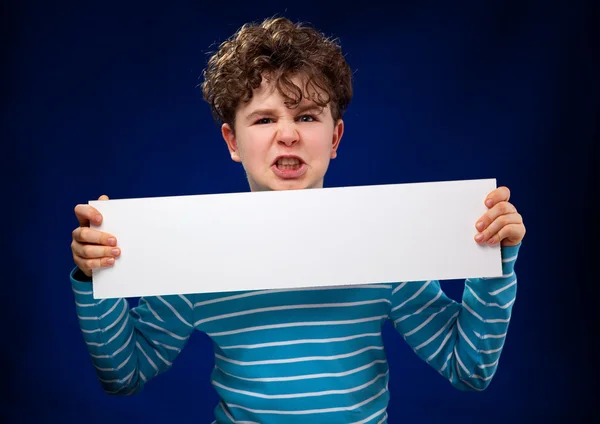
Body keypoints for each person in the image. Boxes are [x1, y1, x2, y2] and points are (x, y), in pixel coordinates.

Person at [69, 16, 526, 424]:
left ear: (335, 137)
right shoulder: (199, 251)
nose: (287, 134)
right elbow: (124, 374)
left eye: (307, 116)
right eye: (264, 119)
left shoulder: (384, 243)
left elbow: (470, 370)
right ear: (232, 141)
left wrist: (495, 260)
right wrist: (96, 278)